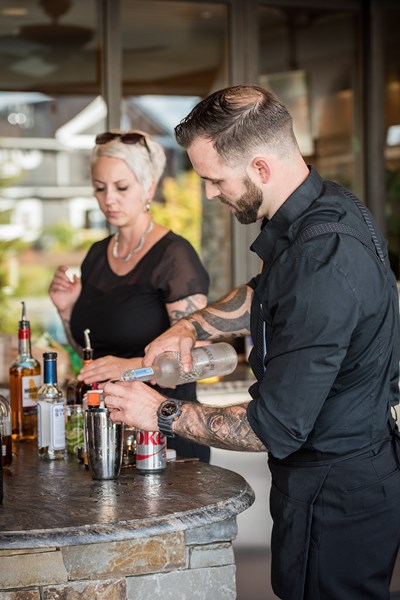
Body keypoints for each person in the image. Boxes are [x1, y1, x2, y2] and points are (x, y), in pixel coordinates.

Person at [103, 85, 400, 600]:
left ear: (261, 167)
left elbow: (274, 427)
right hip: (338, 478)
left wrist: (160, 413)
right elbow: (268, 291)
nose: (210, 194)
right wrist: (192, 326)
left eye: (215, 179)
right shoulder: (323, 211)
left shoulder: (323, 260)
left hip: (337, 494)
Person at [49, 129, 210, 462]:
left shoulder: (174, 256)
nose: (109, 199)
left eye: (122, 188)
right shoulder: (95, 255)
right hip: (109, 437)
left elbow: (199, 359)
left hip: (167, 439)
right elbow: (91, 355)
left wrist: (128, 367)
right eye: (99, 188)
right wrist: (67, 312)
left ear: (148, 187)